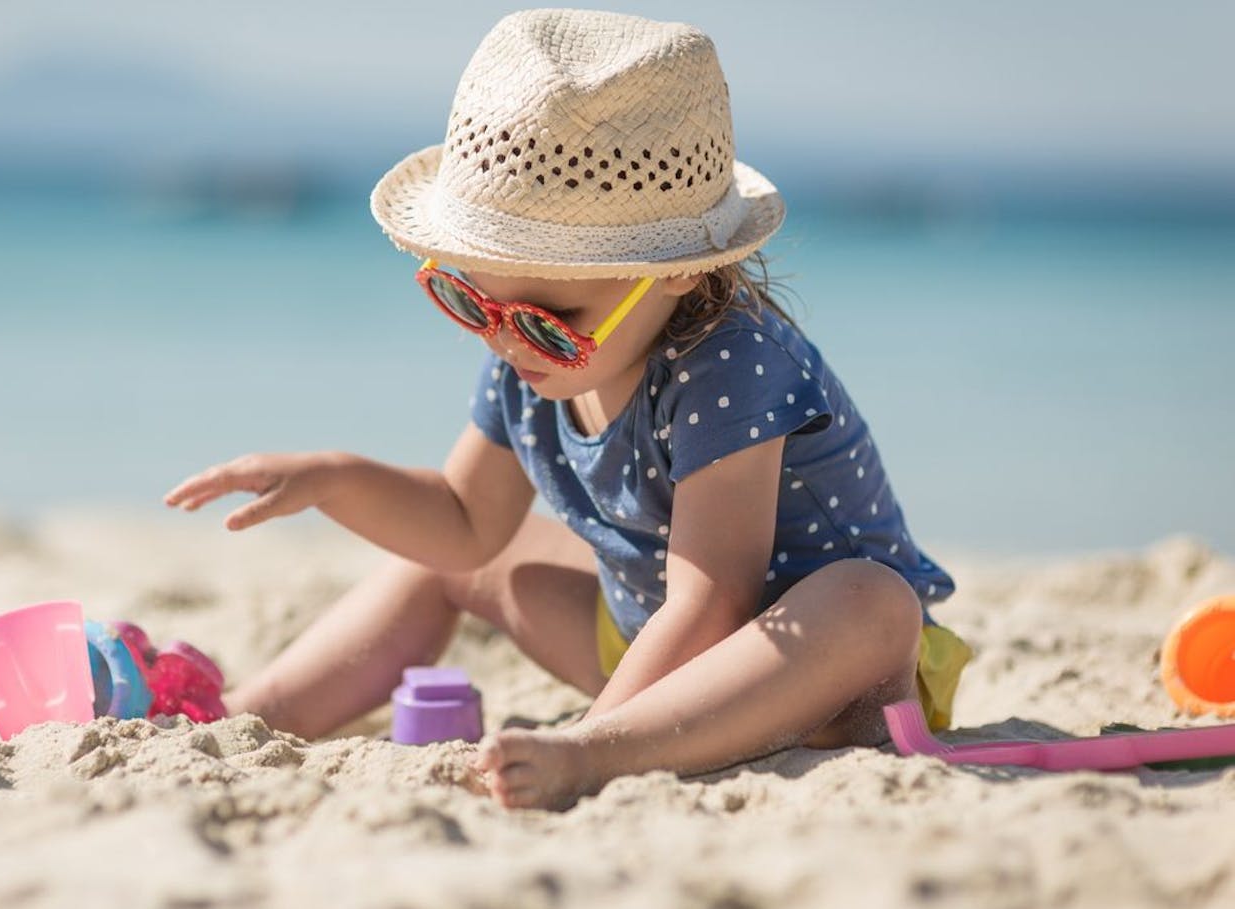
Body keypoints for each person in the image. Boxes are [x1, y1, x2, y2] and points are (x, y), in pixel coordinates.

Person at [164, 8, 972, 810]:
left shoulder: (732, 364)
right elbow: (460, 520)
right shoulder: (523, 356)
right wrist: (336, 478)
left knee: (869, 599)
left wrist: (592, 738)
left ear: (678, 271)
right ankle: (244, 712)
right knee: (453, 562)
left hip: (811, 668)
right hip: (648, 647)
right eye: (472, 300)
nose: (508, 341)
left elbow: (715, 599)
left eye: (549, 320)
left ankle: (604, 751)